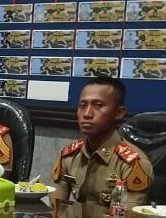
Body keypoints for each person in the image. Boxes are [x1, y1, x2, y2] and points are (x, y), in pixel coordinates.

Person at [51, 76, 153, 207]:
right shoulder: (69, 156)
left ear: (119, 113)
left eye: (98, 106)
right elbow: (55, 209)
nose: (87, 114)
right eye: (82, 106)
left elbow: (128, 217)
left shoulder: (133, 163)